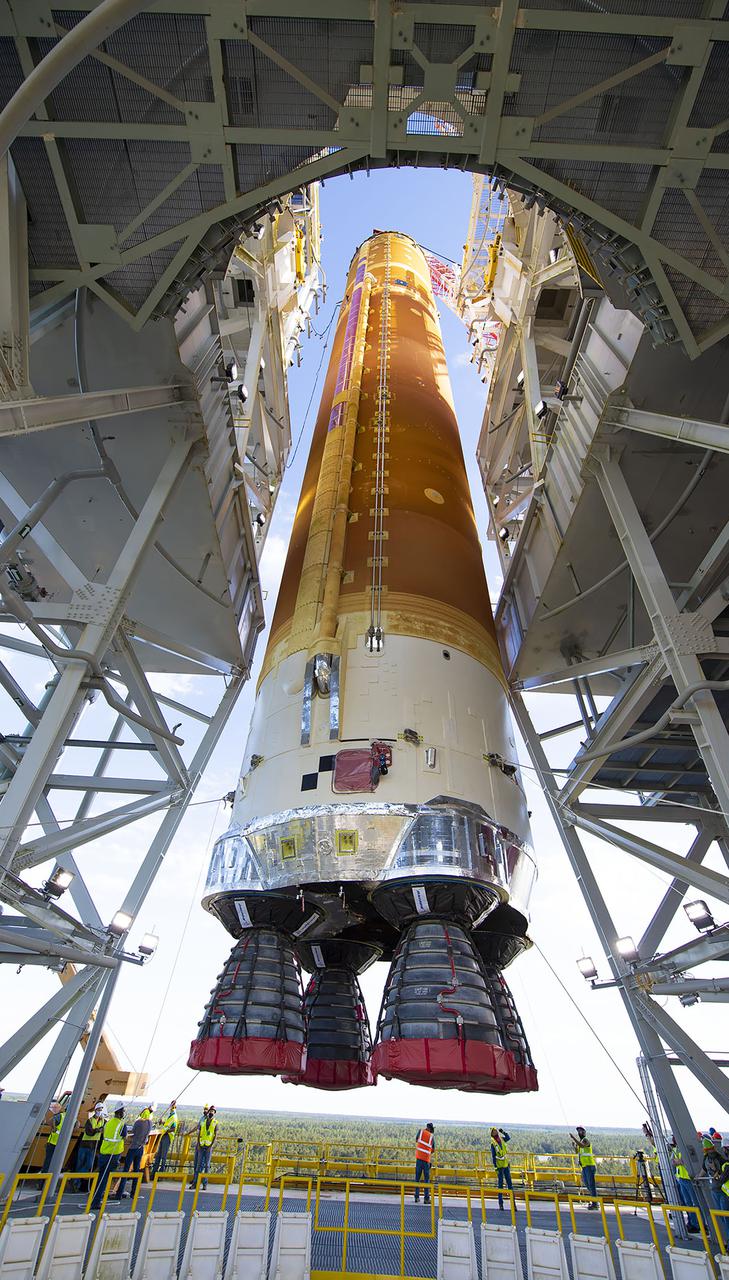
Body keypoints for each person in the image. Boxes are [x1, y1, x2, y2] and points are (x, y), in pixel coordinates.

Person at [91, 1106, 127, 1209]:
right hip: (113, 1154)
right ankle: (96, 1201)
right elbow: (124, 1137)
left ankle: (95, 1198)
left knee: (101, 1176)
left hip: (104, 1152)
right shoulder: (122, 1124)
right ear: (122, 1113)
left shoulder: (108, 1122)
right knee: (104, 1178)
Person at [115, 1106, 153, 1199]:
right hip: (140, 1149)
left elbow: (133, 1132)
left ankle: (119, 1193)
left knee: (126, 1170)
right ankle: (134, 1193)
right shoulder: (149, 1123)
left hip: (133, 1148)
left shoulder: (138, 1122)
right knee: (136, 1171)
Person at [669, 1138, 701, 1233]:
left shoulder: (685, 1149)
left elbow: (683, 1161)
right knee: (688, 1203)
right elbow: (672, 1162)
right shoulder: (677, 1149)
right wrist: (678, 1161)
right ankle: (691, 1222)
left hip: (688, 1178)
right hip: (682, 1178)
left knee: (694, 1202)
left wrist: (678, 1161)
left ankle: (697, 1224)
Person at [570, 1127, 598, 1209]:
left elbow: (582, 1146)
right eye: (578, 1131)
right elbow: (578, 1151)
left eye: (581, 1131)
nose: (579, 1132)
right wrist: (574, 1147)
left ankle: (595, 1204)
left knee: (591, 1185)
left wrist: (573, 1138)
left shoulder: (585, 1140)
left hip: (589, 1166)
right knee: (587, 1184)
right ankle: (594, 1200)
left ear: (584, 1132)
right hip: (584, 1166)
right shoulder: (581, 1141)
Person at [75, 1103, 105, 1176]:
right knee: (79, 1164)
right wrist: (98, 1130)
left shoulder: (103, 1121)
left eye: (101, 1110)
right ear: (95, 1110)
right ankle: (76, 1180)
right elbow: (89, 1132)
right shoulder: (90, 1120)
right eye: (98, 1110)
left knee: (89, 1165)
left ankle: (76, 1177)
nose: (100, 1111)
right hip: (84, 1145)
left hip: (93, 1147)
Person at [193, 1104, 217, 1190]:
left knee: (207, 1166)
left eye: (213, 1111)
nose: (211, 1112)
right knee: (198, 1165)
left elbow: (215, 1135)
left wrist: (211, 1146)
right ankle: (195, 1183)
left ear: (214, 1113)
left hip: (208, 1147)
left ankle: (204, 1184)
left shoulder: (215, 1123)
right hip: (201, 1145)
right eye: (210, 1111)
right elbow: (199, 1133)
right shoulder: (203, 1121)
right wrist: (199, 1144)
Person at [152, 1101, 179, 1177]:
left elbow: (173, 1128)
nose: (171, 1108)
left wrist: (166, 1131)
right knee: (158, 1155)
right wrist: (163, 1123)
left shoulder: (174, 1117)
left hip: (167, 1137)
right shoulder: (171, 1116)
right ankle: (154, 1172)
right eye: (171, 1106)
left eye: (173, 1106)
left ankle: (161, 1174)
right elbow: (167, 1125)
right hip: (163, 1136)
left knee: (163, 1156)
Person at [490, 1127, 513, 1211]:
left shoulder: (502, 1139)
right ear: (491, 1134)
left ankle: (513, 1204)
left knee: (510, 1184)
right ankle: (501, 1204)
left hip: (506, 1165)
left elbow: (508, 1138)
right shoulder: (493, 1143)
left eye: (496, 1131)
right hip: (499, 1167)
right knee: (500, 1185)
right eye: (493, 1132)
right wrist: (495, 1167)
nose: (495, 1132)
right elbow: (493, 1156)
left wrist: (503, 1131)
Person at [42, 1102, 66, 1173]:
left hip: (53, 1142)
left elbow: (49, 1121)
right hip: (59, 1143)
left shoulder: (60, 1115)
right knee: (55, 1161)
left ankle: (44, 1175)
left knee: (48, 1160)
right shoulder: (70, 1117)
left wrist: (54, 1128)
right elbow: (77, 1125)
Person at [414, 1123, 435, 1205]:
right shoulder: (431, 1136)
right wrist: (427, 1151)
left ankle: (416, 1197)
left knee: (417, 1179)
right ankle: (426, 1199)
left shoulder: (420, 1132)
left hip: (419, 1159)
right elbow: (433, 1149)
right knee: (426, 1180)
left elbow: (416, 1140)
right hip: (426, 1160)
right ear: (431, 1129)